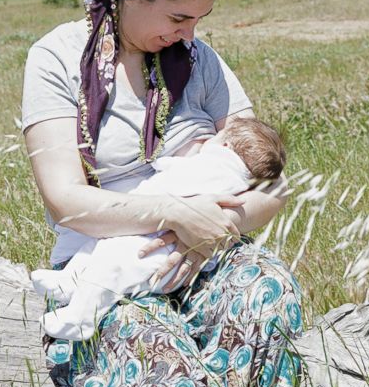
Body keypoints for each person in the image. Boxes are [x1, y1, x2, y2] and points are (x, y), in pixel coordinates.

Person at [21, 0, 303, 387]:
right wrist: (174, 214)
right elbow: (64, 201)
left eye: (199, 19)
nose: (188, 33)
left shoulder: (201, 61)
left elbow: (274, 184)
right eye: (177, 18)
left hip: (206, 251)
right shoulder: (56, 57)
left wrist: (214, 227)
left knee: (270, 292)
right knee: (166, 368)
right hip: (104, 258)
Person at [32, 118, 287, 341]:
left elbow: (166, 167)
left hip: (158, 246)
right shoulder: (236, 178)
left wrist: (206, 224)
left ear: (225, 146)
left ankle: (82, 317)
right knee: (105, 253)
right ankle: (72, 281)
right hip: (142, 233)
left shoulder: (209, 164)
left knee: (112, 266)